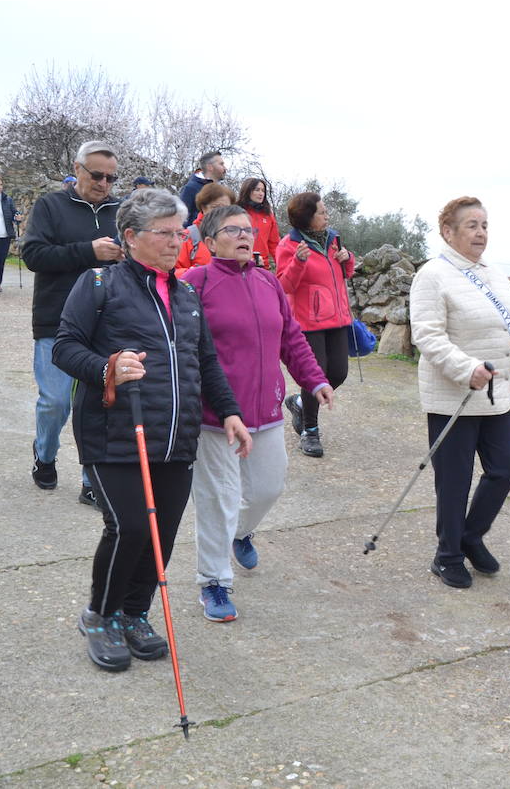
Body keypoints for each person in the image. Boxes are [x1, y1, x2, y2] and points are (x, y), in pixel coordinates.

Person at [54, 188, 252, 671]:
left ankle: (134, 612)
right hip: (115, 433)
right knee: (129, 527)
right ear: (131, 236)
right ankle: (100, 614)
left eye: (180, 232)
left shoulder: (185, 293)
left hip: (176, 437)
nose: (177, 241)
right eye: (164, 233)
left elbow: (204, 360)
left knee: (160, 533)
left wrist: (228, 411)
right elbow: (65, 347)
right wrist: (108, 366)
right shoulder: (99, 283)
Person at [182, 205, 334, 621]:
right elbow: (181, 348)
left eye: (248, 230)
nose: (245, 236)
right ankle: (213, 582)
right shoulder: (195, 282)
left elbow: (292, 338)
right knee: (218, 500)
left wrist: (316, 380)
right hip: (214, 419)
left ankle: (241, 533)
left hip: (266, 411)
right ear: (210, 243)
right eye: (233, 230)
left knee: (268, 488)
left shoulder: (268, 281)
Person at [409, 196, 510, 589]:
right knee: (455, 480)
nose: (481, 233)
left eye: (485, 225)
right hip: (453, 396)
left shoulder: (493, 273)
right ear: (448, 231)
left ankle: (470, 536)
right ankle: (447, 557)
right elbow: (427, 335)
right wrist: (467, 368)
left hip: (499, 393)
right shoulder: (432, 275)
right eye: (472, 225)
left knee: (507, 466)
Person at [22, 141, 124, 503]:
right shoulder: (51, 205)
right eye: (97, 175)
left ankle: (90, 479)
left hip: (107, 323)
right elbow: (32, 255)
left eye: (111, 177)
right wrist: (89, 252)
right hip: (56, 320)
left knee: (98, 406)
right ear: (77, 169)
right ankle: (44, 455)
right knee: (56, 402)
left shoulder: (120, 210)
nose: (104, 183)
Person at [276, 192, 355, 458]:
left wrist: (348, 259)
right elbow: (284, 285)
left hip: (338, 317)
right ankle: (310, 430)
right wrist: (298, 262)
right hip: (309, 321)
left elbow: (345, 273)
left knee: (340, 373)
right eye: (322, 212)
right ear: (307, 218)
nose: (327, 215)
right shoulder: (289, 245)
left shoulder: (333, 239)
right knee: (316, 375)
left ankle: (299, 403)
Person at [175, 183, 235, 271]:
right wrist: (196, 274)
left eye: (226, 208)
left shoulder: (237, 235)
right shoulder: (188, 237)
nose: (221, 212)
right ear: (203, 208)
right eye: (215, 207)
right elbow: (172, 272)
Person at [237, 177, 281, 269]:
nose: (261, 193)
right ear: (248, 191)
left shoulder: (268, 215)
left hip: (262, 265)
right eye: (257, 190)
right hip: (239, 264)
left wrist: (282, 263)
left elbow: (274, 244)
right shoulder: (236, 212)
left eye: (263, 191)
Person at [179, 151, 226, 226]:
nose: (225, 168)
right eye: (221, 164)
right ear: (210, 167)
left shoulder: (221, 190)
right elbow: (181, 219)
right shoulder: (190, 188)